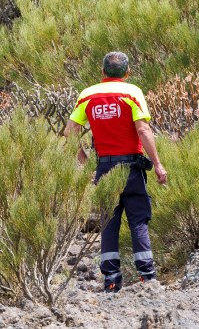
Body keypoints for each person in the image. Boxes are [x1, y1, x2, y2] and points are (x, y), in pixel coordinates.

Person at [64, 51, 168, 293]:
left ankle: (111, 279)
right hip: (131, 168)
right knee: (138, 221)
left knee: (109, 222)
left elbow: (69, 133)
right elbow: (143, 130)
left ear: (102, 72)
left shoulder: (86, 95)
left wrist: (85, 162)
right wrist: (159, 165)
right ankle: (147, 278)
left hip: (104, 167)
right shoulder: (132, 92)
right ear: (127, 73)